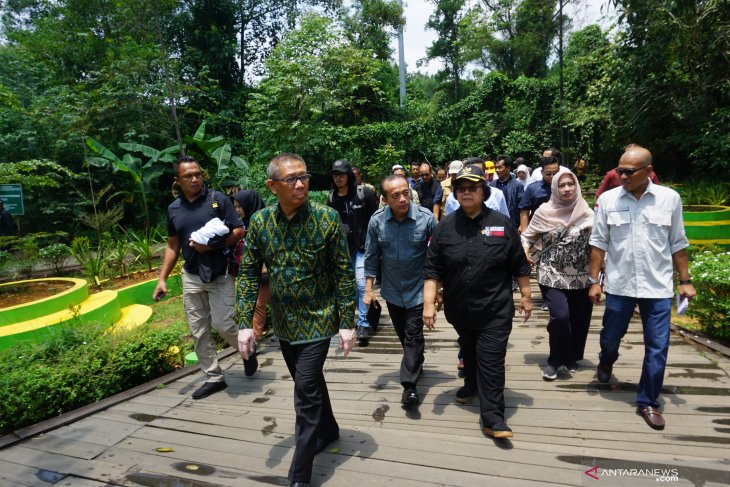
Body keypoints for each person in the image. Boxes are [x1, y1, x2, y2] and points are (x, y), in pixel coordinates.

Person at [235, 153, 357, 487]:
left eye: (304, 177)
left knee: (305, 392)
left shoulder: (326, 218)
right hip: (285, 321)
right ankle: (329, 430)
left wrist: (347, 321)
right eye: (292, 179)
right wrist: (246, 322)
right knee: (310, 382)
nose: (301, 184)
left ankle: (300, 475)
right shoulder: (260, 222)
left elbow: (344, 274)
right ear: (272, 186)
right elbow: (247, 274)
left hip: (319, 319)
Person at [588, 145, 695, 431]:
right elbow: (599, 242)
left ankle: (648, 401)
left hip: (657, 286)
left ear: (648, 171)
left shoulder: (669, 199)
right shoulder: (608, 200)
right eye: (619, 170)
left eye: (628, 171)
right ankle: (606, 360)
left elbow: (678, 243)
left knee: (658, 347)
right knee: (610, 336)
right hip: (620, 284)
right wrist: (593, 281)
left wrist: (685, 281)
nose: (621, 175)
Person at [423, 165, 532, 439]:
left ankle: (493, 418)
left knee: (491, 359)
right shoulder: (445, 227)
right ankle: (470, 384)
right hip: (460, 309)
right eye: (461, 189)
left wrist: (527, 296)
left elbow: (519, 265)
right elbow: (432, 269)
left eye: (473, 188)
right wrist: (428, 304)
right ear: (455, 194)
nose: (467, 192)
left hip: (495, 308)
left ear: (484, 191)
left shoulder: (502, 224)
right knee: (469, 348)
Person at [153, 155, 246, 400]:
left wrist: (212, 246)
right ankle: (214, 377)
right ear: (177, 180)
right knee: (198, 329)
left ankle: (248, 350)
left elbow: (238, 230)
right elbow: (173, 246)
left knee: (224, 325)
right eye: (188, 176)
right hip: (191, 275)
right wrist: (162, 278)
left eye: (198, 174)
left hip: (219, 273)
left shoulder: (217, 200)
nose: (195, 179)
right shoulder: (173, 209)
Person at [364, 175, 437, 407]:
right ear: (385, 200)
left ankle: (409, 386)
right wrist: (368, 290)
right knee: (406, 337)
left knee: (412, 334)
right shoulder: (376, 222)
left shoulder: (426, 219)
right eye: (395, 196)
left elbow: (437, 256)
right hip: (392, 290)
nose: (403, 199)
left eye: (405, 193)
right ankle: (417, 361)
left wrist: (438, 291)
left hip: (419, 288)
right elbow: (371, 256)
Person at [521, 171, 594, 380]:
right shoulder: (544, 211)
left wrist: (598, 277)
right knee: (560, 316)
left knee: (579, 320)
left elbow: (599, 245)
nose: (567, 189)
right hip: (551, 274)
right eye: (561, 185)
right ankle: (554, 359)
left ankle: (570, 356)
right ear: (554, 188)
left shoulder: (587, 212)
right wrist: (526, 252)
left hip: (581, 276)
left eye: (571, 184)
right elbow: (526, 237)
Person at [328, 159, 379, 346]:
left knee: (360, 283)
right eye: (335, 174)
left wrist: (378, 246)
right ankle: (367, 311)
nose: (338, 178)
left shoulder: (363, 193)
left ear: (349, 175)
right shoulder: (332, 197)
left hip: (363, 247)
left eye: (341, 174)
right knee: (346, 287)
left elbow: (376, 219)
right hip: (342, 249)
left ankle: (363, 324)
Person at [231, 190, 269, 342]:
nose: (237, 210)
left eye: (240, 206)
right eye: (235, 206)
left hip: (266, 271)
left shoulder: (264, 222)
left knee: (259, 303)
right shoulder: (240, 225)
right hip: (251, 272)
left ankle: (256, 338)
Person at [518, 156, 561, 233]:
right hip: (537, 228)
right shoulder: (532, 188)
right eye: (548, 174)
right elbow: (524, 211)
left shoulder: (565, 186)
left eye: (555, 173)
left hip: (561, 227)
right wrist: (524, 233)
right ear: (542, 172)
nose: (552, 176)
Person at [491, 155, 524, 227]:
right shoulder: (492, 185)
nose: (497, 170)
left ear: (508, 168)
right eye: (496, 167)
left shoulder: (517, 186)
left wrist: (521, 225)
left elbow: (522, 207)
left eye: (500, 167)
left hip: (511, 224)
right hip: (494, 224)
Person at [595, 166, 660, 199]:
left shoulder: (651, 174)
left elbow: (657, 194)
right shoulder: (611, 175)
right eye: (620, 172)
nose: (623, 177)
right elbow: (599, 196)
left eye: (630, 171)